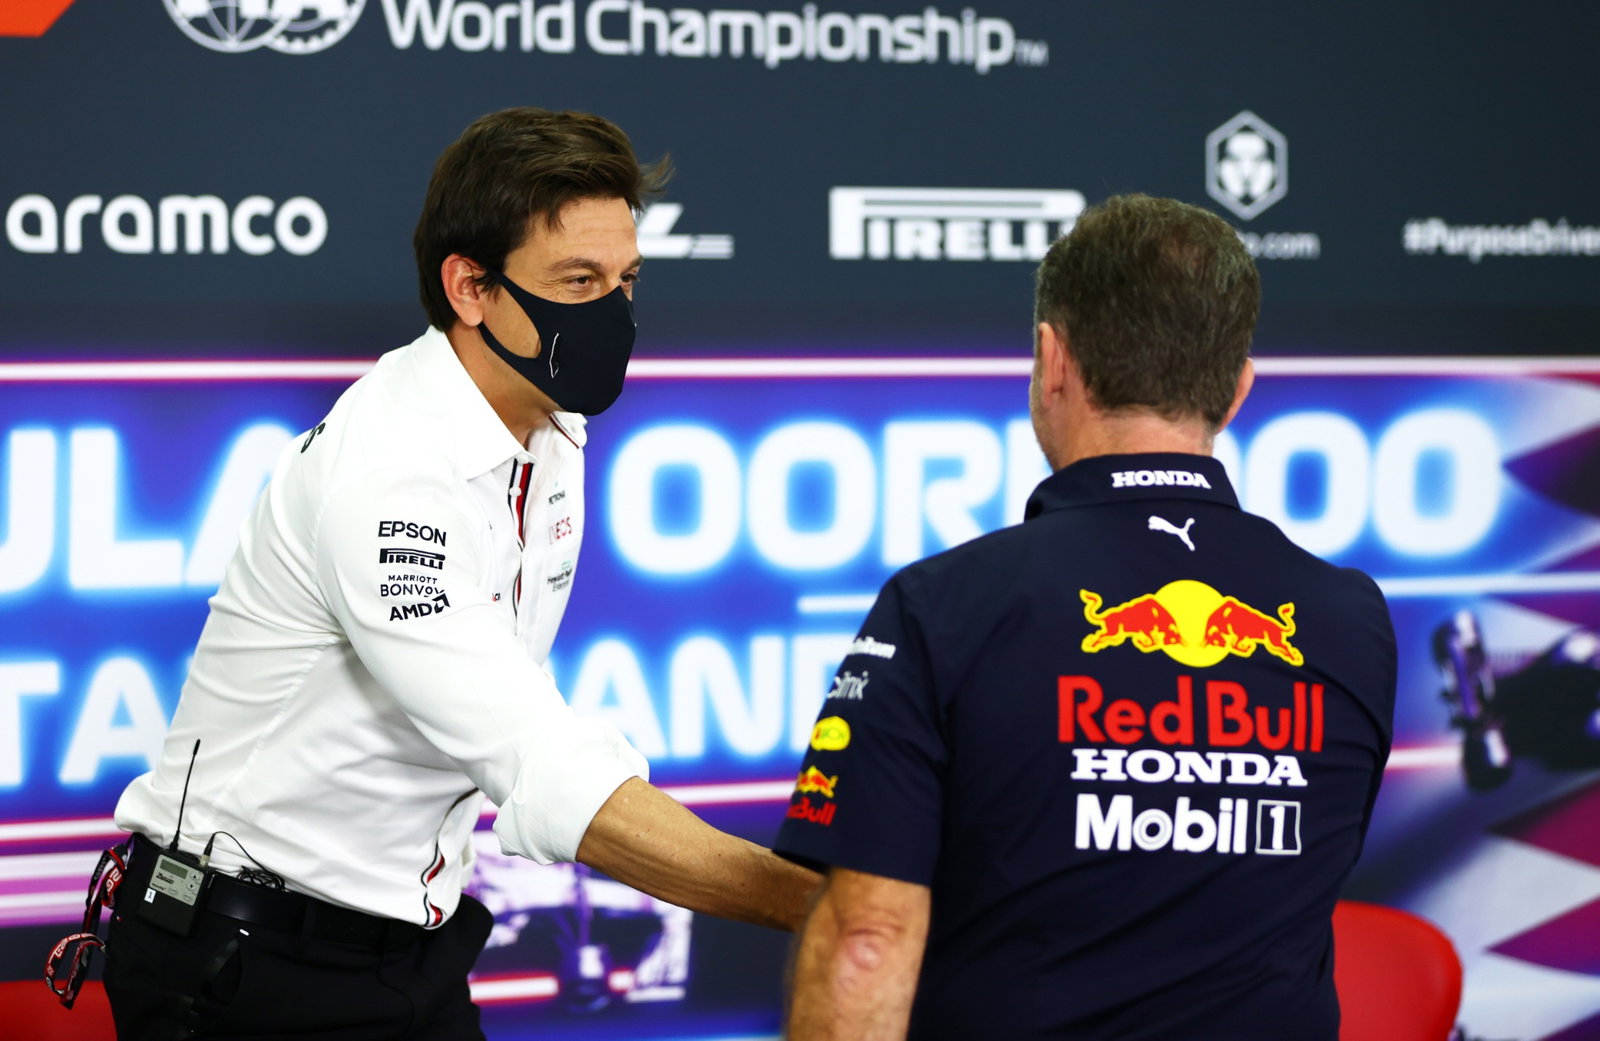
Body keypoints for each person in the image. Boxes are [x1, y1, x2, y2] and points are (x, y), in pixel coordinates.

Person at [86, 107, 817, 1040]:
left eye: (627, 280)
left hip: (405, 951)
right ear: (470, 287)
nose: (615, 314)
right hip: (245, 966)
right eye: (579, 281)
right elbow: (547, 771)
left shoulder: (551, 426)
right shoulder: (393, 474)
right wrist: (824, 902)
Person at [776, 194, 1396, 1041]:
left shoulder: (940, 607)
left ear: (1051, 359)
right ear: (1238, 387)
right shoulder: (1351, 619)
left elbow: (868, 938)